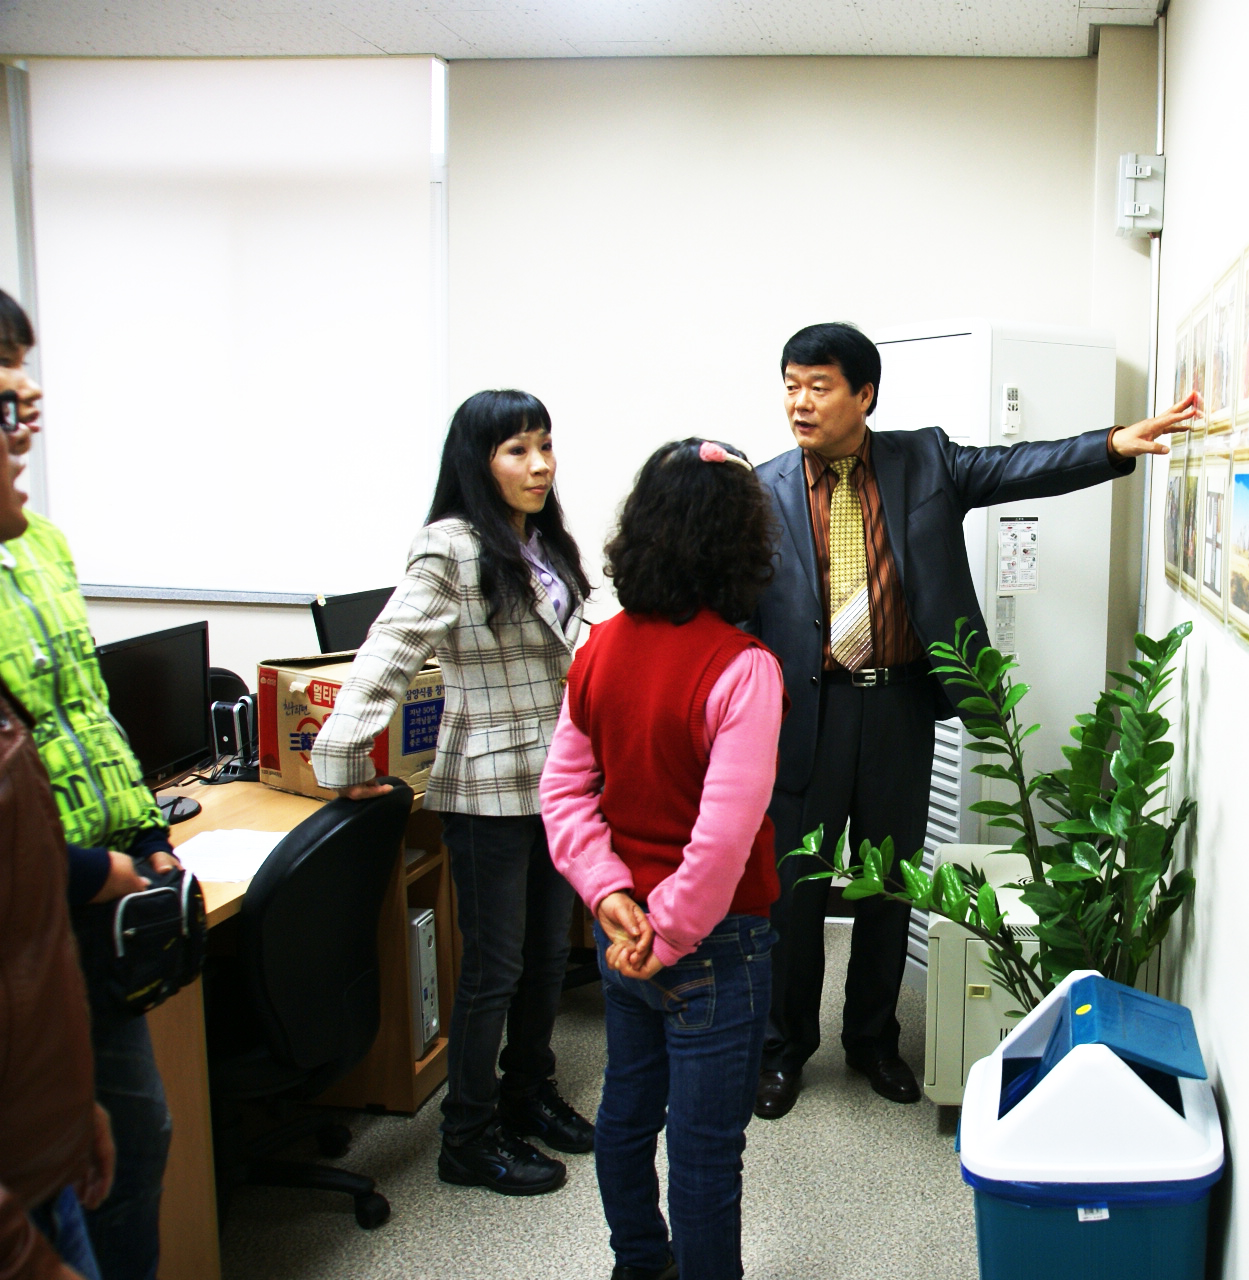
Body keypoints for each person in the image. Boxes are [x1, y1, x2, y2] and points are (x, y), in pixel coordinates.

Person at [748, 322, 1199, 1119]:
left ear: (864, 394)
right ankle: (783, 1050)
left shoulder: (923, 460)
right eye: (791, 386)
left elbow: (1019, 466)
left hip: (897, 705)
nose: (800, 403)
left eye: (819, 386)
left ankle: (873, 1040)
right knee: (795, 891)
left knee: (891, 884)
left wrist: (1114, 445)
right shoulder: (762, 489)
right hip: (805, 713)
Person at [311, 389, 595, 1196]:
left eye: (545, 445)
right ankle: (467, 1135)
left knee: (547, 956)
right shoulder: (451, 546)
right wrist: (343, 756)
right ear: (478, 460)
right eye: (517, 449)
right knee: (494, 968)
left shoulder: (540, 539)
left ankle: (527, 1091)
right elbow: (388, 652)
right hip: (486, 786)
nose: (539, 465)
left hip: (557, 780)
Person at [544, 437, 783, 1280]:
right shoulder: (744, 670)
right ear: (740, 544)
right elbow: (721, 842)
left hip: (623, 936)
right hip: (710, 943)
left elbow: (564, 793)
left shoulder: (599, 649)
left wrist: (609, 896)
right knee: (706, 1148)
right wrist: (670, 933)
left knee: (626, 1115)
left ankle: (640, 1266)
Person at [0, 291, 180, 1280]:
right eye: (6, 383)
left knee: (123, 1139)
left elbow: (88, 710)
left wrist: (147, 834)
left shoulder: (41, 541)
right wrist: (87, 869)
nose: (29, 404)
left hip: (83, 898)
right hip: (46, 890)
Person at [0, 415, 117, 1280]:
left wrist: (74, 1104)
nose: (25, 430)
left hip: (41, 1122)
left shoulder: (40, 549)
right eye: (6, 411)